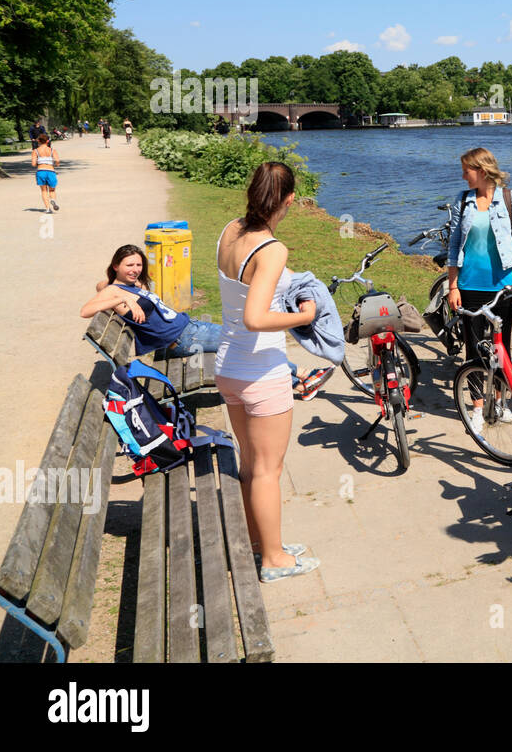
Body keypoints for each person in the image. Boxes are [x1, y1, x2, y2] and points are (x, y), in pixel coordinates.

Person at [215, 162, 322, 582]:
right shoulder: (272, 249)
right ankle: (274, 561)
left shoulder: (229, 230)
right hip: (261, 371)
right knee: (268, 470)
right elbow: (256, 317)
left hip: (228, 367)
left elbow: (240, 292)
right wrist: (303, 317)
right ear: (290, 199)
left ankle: (263, 542)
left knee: (250, 464)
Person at [78, 244, 333, 398]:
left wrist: (124, 293)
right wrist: (119, 298)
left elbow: (103, 282)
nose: (134, 269)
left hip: (190, 329)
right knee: (246, 344)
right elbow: (86, 310)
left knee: (244, 346)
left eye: (137, 264)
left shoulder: (127, 285)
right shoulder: (114, 291)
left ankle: (299, 383)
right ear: (115, 265)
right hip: (186, 338)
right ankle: (302, 376)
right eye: (128, 265)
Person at [445, 147, 512, 433]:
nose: (462, 175)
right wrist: (453, 285)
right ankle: (478, 409)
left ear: (481, 171)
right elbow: (455, 244)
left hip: (504, 287)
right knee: (473, 349)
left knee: (500, 347)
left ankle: (500, 401)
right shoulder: (463, 201)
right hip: (470, 285)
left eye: (466, 170)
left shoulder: (510, 198)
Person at [30, 133, 59, 213]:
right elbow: (57, 161)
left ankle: (47, 208)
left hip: (41, 171)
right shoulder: (52, 150)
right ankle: (53, 200)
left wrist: (38, 162)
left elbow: (33, 164)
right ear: (47, 141)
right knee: (52, 190)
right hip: (51, 171)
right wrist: (55, 164)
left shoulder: (35, 151)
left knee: (44, 191)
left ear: (38, 141)